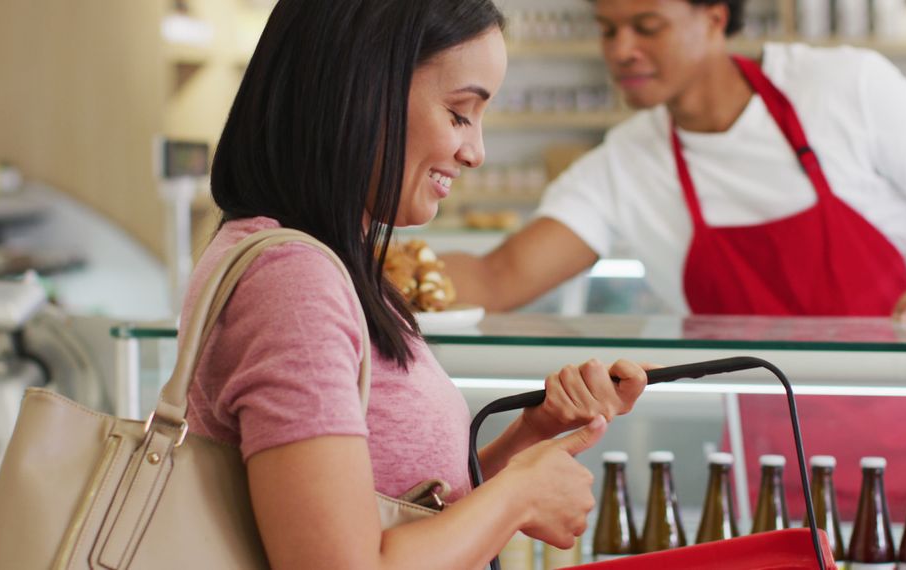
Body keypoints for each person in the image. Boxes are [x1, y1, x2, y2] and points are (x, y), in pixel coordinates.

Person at [443, 0, 906, 521]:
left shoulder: (845, 87)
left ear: (715, 17)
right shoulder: (627, 163)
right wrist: (361, 259)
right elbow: (497, 277)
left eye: (647, 26)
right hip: (773, 471)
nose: (621, 50)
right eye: (606, 29)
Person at [180, 1, 649, 568]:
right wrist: (519, 495)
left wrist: (532, 433)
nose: (475, 152)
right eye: (459, 114)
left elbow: (403, 509)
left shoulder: (323, 266)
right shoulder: (291, 282)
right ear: (359, 88)